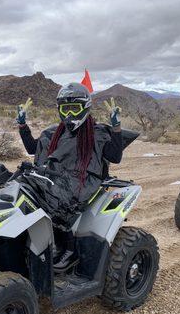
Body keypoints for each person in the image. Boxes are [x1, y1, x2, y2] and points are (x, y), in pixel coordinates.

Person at [16, 83, 123, 272]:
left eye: (75, 109)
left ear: (85, 108)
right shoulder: (53, 133)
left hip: (85, 180)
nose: (70, 115)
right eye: (66, 109)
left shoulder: (97, 133)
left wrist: (116, 128)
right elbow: (34, 148)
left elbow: (115, 156)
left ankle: (70, 250)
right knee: (23, 187)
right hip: (56, 176)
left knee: (57, 200)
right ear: (59, 110)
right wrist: (23, 126)